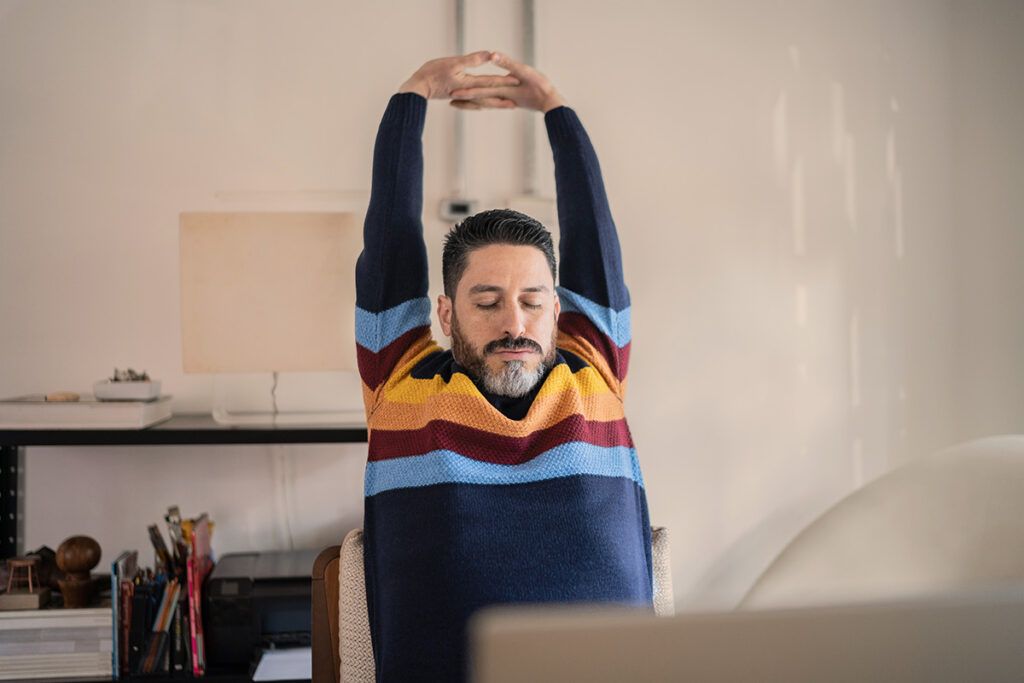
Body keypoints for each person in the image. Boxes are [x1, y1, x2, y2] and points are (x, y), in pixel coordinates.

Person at [355, 51, 651, 682]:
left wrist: (555, 109)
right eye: (486, 303)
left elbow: (594, 234)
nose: (514, 323)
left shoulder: (592, 371)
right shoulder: (400, 381)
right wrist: (411, 97)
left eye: (532, 301)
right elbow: (390, 236)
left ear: (556, 310)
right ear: (444, 311)